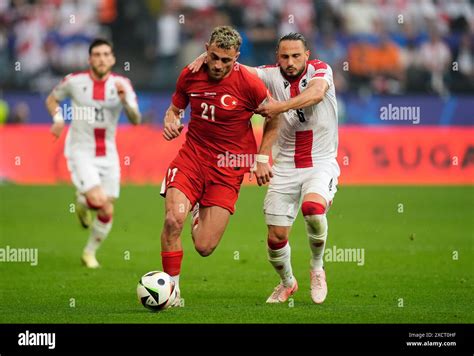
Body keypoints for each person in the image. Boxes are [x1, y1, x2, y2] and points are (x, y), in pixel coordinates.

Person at [189, 32, 339, 304]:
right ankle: (287, 282)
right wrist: (204, 57)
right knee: (275, 237)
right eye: (284, 56)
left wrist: (279, 107)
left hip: (320, 162)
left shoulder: (320, 70)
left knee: (313, 209)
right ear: (277, 58)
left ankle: (317, 267)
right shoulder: (269, 75)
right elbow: (233, 66)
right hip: (284, 166)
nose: (290, 62)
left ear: (307, 55)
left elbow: (316, 95)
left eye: (296, 55)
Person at [160, 26, 280, 306]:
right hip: (193, 157)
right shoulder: (190, 74)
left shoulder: (249, 84)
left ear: (236, 57)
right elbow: (175, 109)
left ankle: (200, 208)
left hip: (228, 168)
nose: (217, 65)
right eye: (213, 56)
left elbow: (275, 117)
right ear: (206, 48)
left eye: (226, 60)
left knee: (204, 246)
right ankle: (172, 293)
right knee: (172, 220)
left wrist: (262, 157)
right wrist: (170, 120)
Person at [45, 38, 141, 268]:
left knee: (107, 208)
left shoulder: (122, 84)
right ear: (90, 59)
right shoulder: (74, 81)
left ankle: (89, 251)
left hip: (108, 154)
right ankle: (86, 199)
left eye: (106, 54)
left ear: (113, 59)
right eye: (97, 54)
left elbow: (136, 120)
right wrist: (58, 119)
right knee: (98, 200)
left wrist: (125, 103)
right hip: (81, 150)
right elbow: (52, 99)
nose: (101, 58)